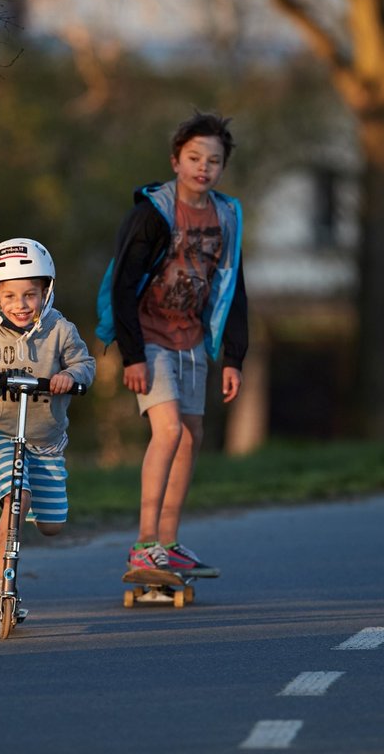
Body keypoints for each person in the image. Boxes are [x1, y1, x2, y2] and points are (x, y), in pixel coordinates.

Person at [95, 111, 248, 578]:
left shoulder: (225, 216)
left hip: (193, 340)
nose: (204, 167)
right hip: (150, 337)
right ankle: (143, 544)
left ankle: (168, 542)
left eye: (214, 161)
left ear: (222, 167)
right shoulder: (152, 214)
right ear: (176, 161)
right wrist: (133, 355)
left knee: (192, 436)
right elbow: (123, 283)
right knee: (169, 432)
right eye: (194, 157)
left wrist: (233, 358)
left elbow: (233, 286)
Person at [0, 237, 96, 615]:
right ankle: (3, 583)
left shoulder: (60, 330)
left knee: (51, 526)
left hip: (48, 439)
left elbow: (86, 365)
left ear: (46, 291)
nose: (21, 305)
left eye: (30, 295)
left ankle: (32, 502)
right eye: (11, 296)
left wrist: (71, 376)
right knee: (15, 502)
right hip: (4, 432)